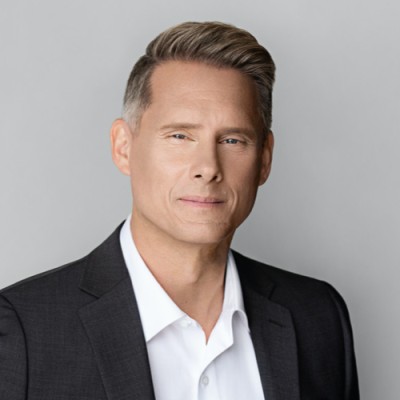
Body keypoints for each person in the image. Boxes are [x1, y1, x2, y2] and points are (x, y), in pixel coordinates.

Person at [0, 22, 359, 399]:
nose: (208, 167)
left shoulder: (318, 316)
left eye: (232, 140)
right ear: (123, 147)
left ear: (264, 160)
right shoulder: (23, 330)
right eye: (180, 136)